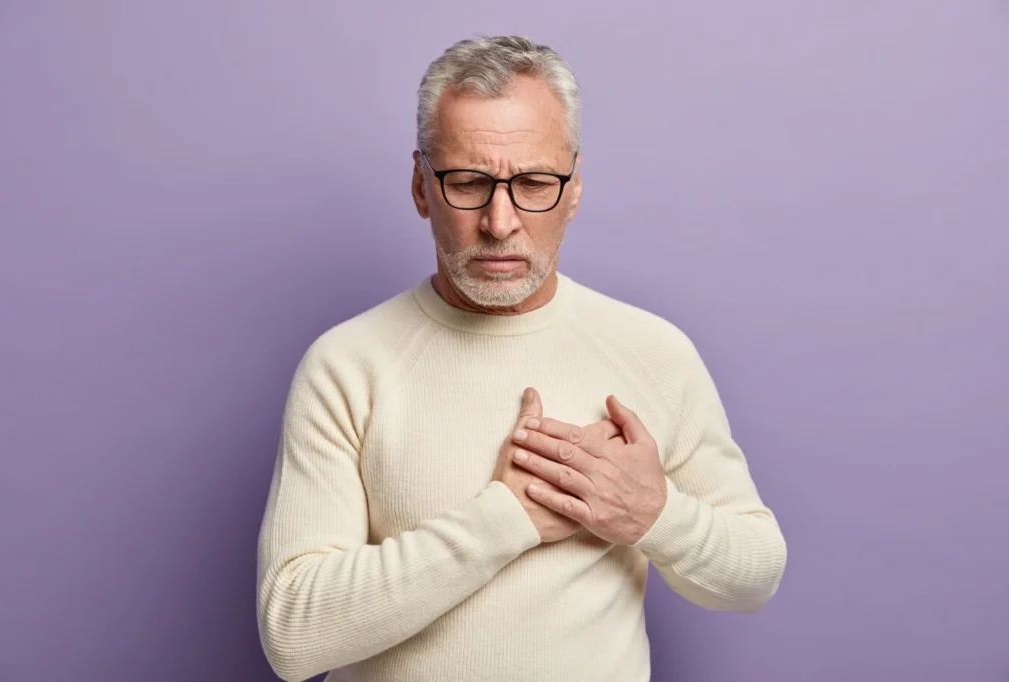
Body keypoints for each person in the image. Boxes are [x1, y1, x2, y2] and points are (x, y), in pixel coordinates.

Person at [256, 34, 787, 682]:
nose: (501, 221)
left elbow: (755, 575)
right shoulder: (346, 366)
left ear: (575, 188)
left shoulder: (654, 353)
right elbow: (292, 636)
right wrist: (504, 518)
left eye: (534, 182)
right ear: (422, 187)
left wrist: (653, 513)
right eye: (469, 182)